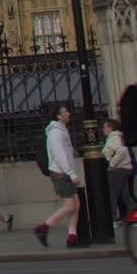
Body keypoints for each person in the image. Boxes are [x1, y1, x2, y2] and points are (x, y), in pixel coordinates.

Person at [34, 102, 84, 248]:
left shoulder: (62, 130)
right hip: (60, 173)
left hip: (65, 172)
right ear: (58, 115)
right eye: (65, 112)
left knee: (76, 205)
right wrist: (71, 173)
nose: (68, 113)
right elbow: (60, 155)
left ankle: (72, 237)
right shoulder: (55, 133)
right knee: (70, 206)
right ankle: (42, 228)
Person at [102, 118, 137, 223]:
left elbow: (122, 150)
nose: (103, 129)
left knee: (112, 195)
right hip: (124, 169)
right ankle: (135, 217)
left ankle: (111, 221)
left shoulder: (114, 138)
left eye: (105, 127)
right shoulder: (117, 137)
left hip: (118, 170)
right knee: (125, 195)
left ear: (110, 127)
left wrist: (112, 164)